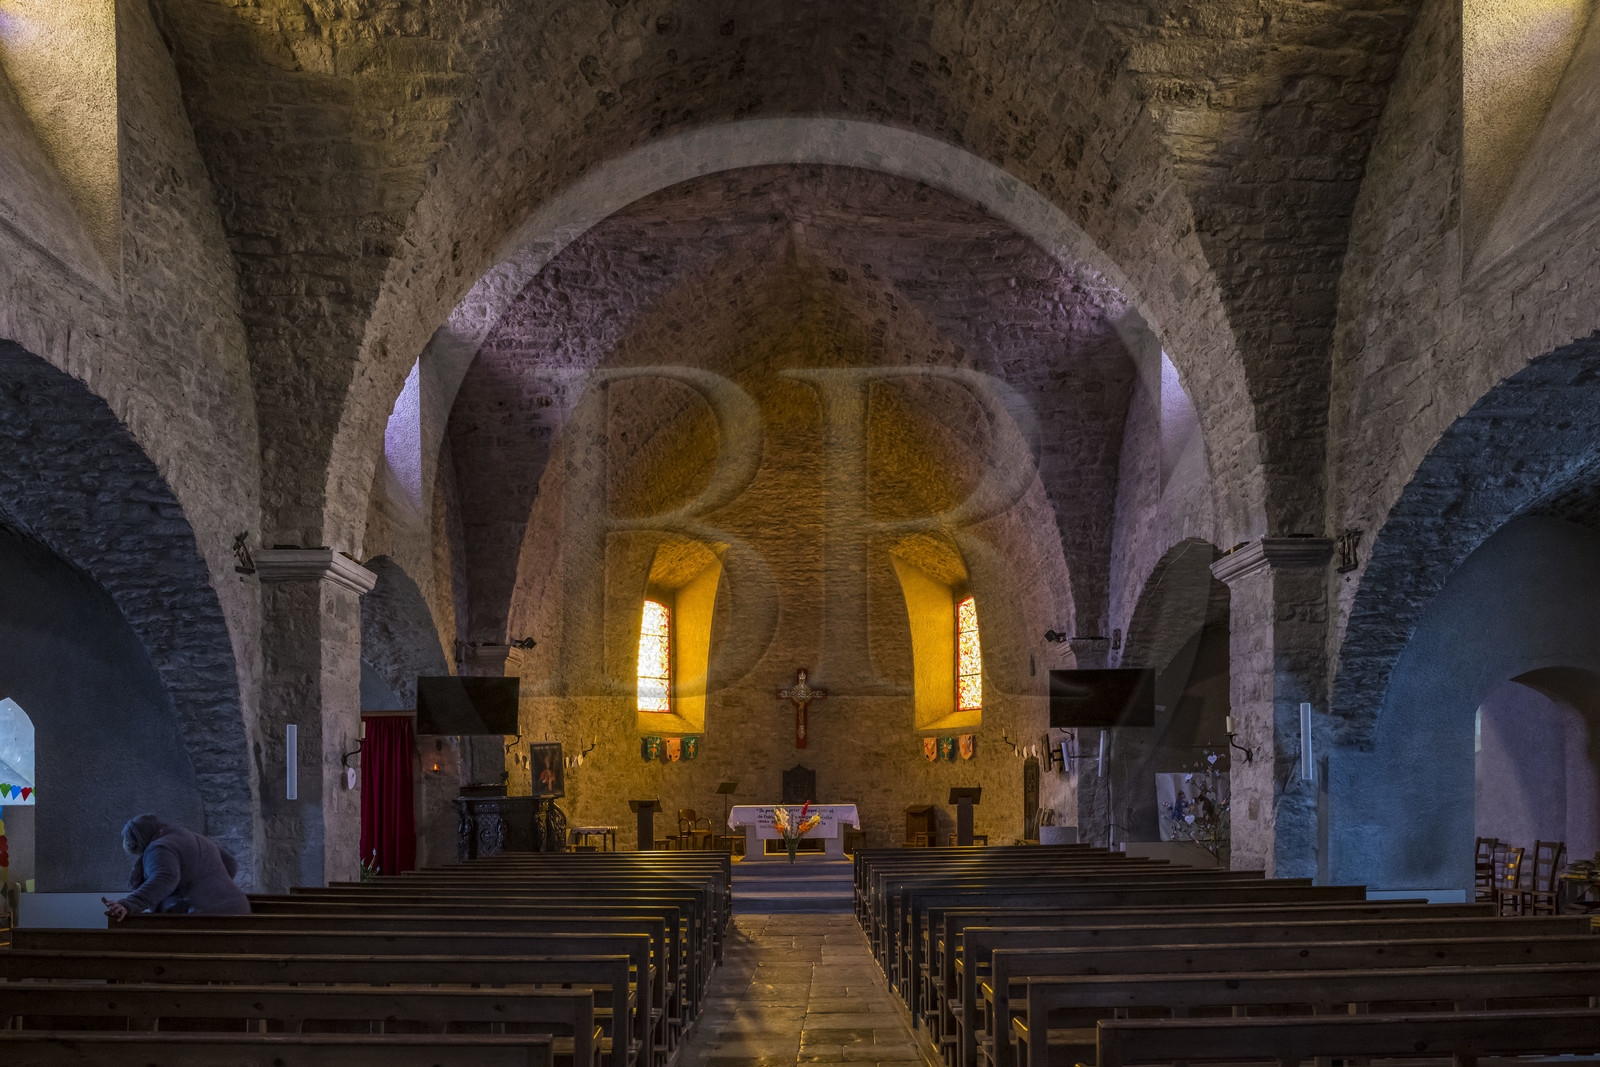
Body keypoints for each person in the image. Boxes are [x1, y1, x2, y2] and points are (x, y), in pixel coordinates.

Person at [101, 814, 251, 920]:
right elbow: (230, 864)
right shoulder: (192, 836)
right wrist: (212, 888)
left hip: (204, 917)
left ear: (138, 842)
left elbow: (165, 878)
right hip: (237, 909)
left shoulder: (159, 847)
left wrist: (130, 903)